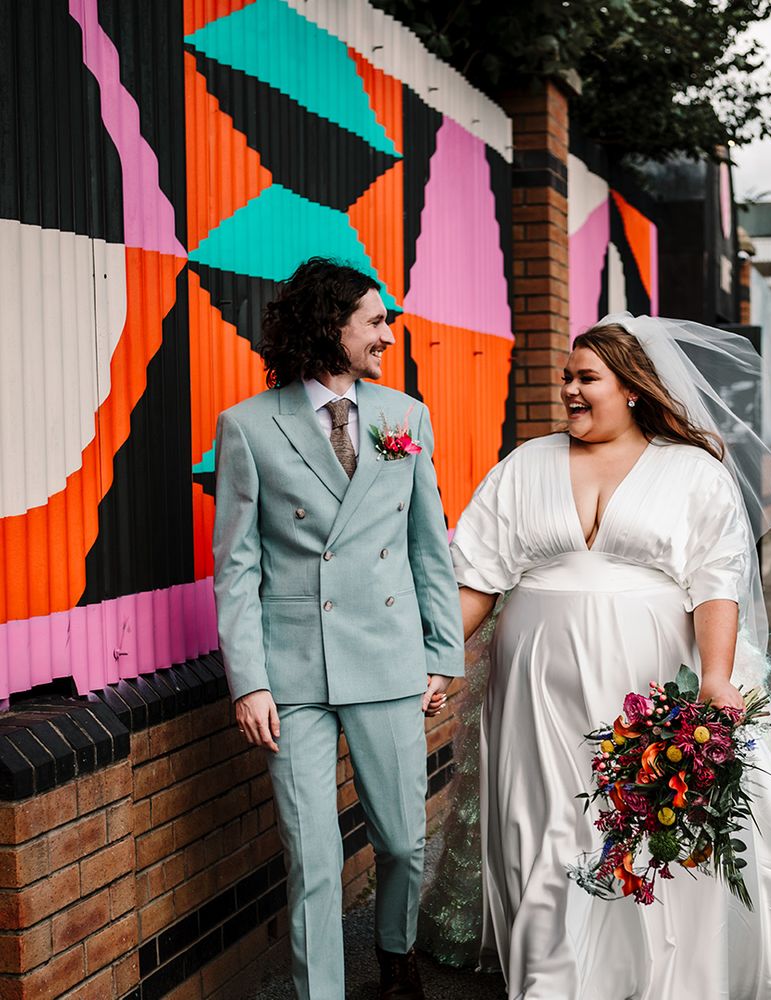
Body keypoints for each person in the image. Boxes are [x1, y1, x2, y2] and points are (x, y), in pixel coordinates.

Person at [428, 314, 771, 999]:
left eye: (587, 378)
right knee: (543, 824)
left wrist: (714, 676)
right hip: (532, 693)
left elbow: (715, 583)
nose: (570, 392)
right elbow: (477, 577)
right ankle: (551, 976)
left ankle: (649, 968)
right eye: (567, 378)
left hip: (643, 687)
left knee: (640, 820)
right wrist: (439, 659)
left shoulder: (690, 474)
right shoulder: (524, 465)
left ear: (634, 390)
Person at [212, 258, 464, 1000]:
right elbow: (235, 568)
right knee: (314, 857)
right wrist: (249, 683)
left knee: (404, 841)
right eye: (375, 321)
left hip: (388, 658)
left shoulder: (405, 417)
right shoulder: (249, 427)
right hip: (293, 674)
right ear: (332, 327)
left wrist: (442, 652)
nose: (388, 334)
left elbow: (428, 546)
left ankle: (395, 950)